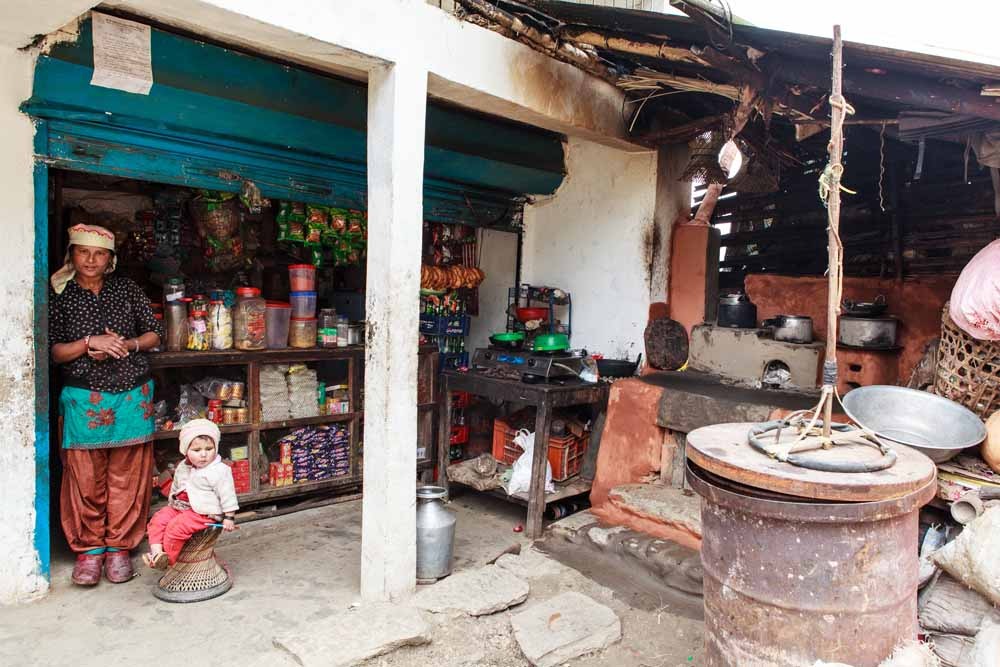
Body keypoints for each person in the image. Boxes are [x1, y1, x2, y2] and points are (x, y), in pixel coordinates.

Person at [50, 223, 164, 585]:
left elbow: (153, 333)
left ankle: (118, 548)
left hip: (132, 393)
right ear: (72, 255)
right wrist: (90, 343)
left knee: (128, 475)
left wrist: (126, 345)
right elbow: (55, 351)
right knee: (85, 475)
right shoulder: (61, 295)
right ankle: (89, 551)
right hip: (84, 396)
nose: (90, 260)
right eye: (82, 252)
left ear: (110, 259)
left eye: (99, 253)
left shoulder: (126, 289)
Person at [144, 419, 238, 570]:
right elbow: (176, 486)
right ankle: (156, 553)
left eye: (209, 449)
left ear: (216, 447)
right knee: (158, 519)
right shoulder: (183, 466)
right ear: (186, 450)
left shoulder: (219, 470)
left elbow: (228, 495)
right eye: (196, 450)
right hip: (181, 506)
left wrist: (229, 517)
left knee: (176, 527)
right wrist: (171, 505)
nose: (203, 455)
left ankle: (168, 560)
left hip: (204, 512)